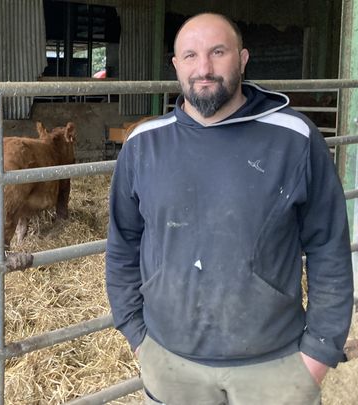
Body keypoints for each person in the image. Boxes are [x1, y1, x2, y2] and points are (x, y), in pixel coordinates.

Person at [105, 12, 354, 405]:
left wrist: (319, 352)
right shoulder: (143, 146)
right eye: (190, 55)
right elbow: (123, 244)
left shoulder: (295, 138)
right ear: (175, 65)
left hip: (276, 369)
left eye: (217, 52)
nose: (203, 68)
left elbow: (329, 247)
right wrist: (137, 335)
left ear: (242, 58)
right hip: (170, 364)